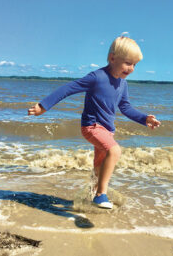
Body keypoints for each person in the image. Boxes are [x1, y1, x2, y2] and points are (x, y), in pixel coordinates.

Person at [28, 36, 161, 209]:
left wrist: (144, 118)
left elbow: (125, 107)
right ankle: (100, 195)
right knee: (114, 151)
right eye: (128, 63)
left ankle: (89, 198)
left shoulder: (123, 84)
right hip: (91, 127)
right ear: (112, 58)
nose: (132, 68)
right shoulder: (97, 77)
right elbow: (68, 88)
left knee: (99, 167)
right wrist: (43, 105)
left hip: (107, 130)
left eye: (135, 65)